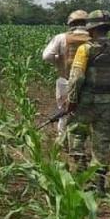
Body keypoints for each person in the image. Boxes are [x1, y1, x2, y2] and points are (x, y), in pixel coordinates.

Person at [66, 10, 110, 193]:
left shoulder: (85, 49)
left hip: (87, 101)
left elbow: (76, 78)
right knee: (102, 141)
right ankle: (99, 184)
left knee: (76, 133)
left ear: (91, 29)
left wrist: (71, 100)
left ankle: (80, 177)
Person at [41, 10, 89, 140]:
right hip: (88, 83)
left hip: (65, 80)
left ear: (70, 23)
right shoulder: (94, 39)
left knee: (63, 110)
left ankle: (63, 139)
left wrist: (59, 60)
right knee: (84, 112)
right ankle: (80, 140)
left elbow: (46, 56)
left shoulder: (62, 37)